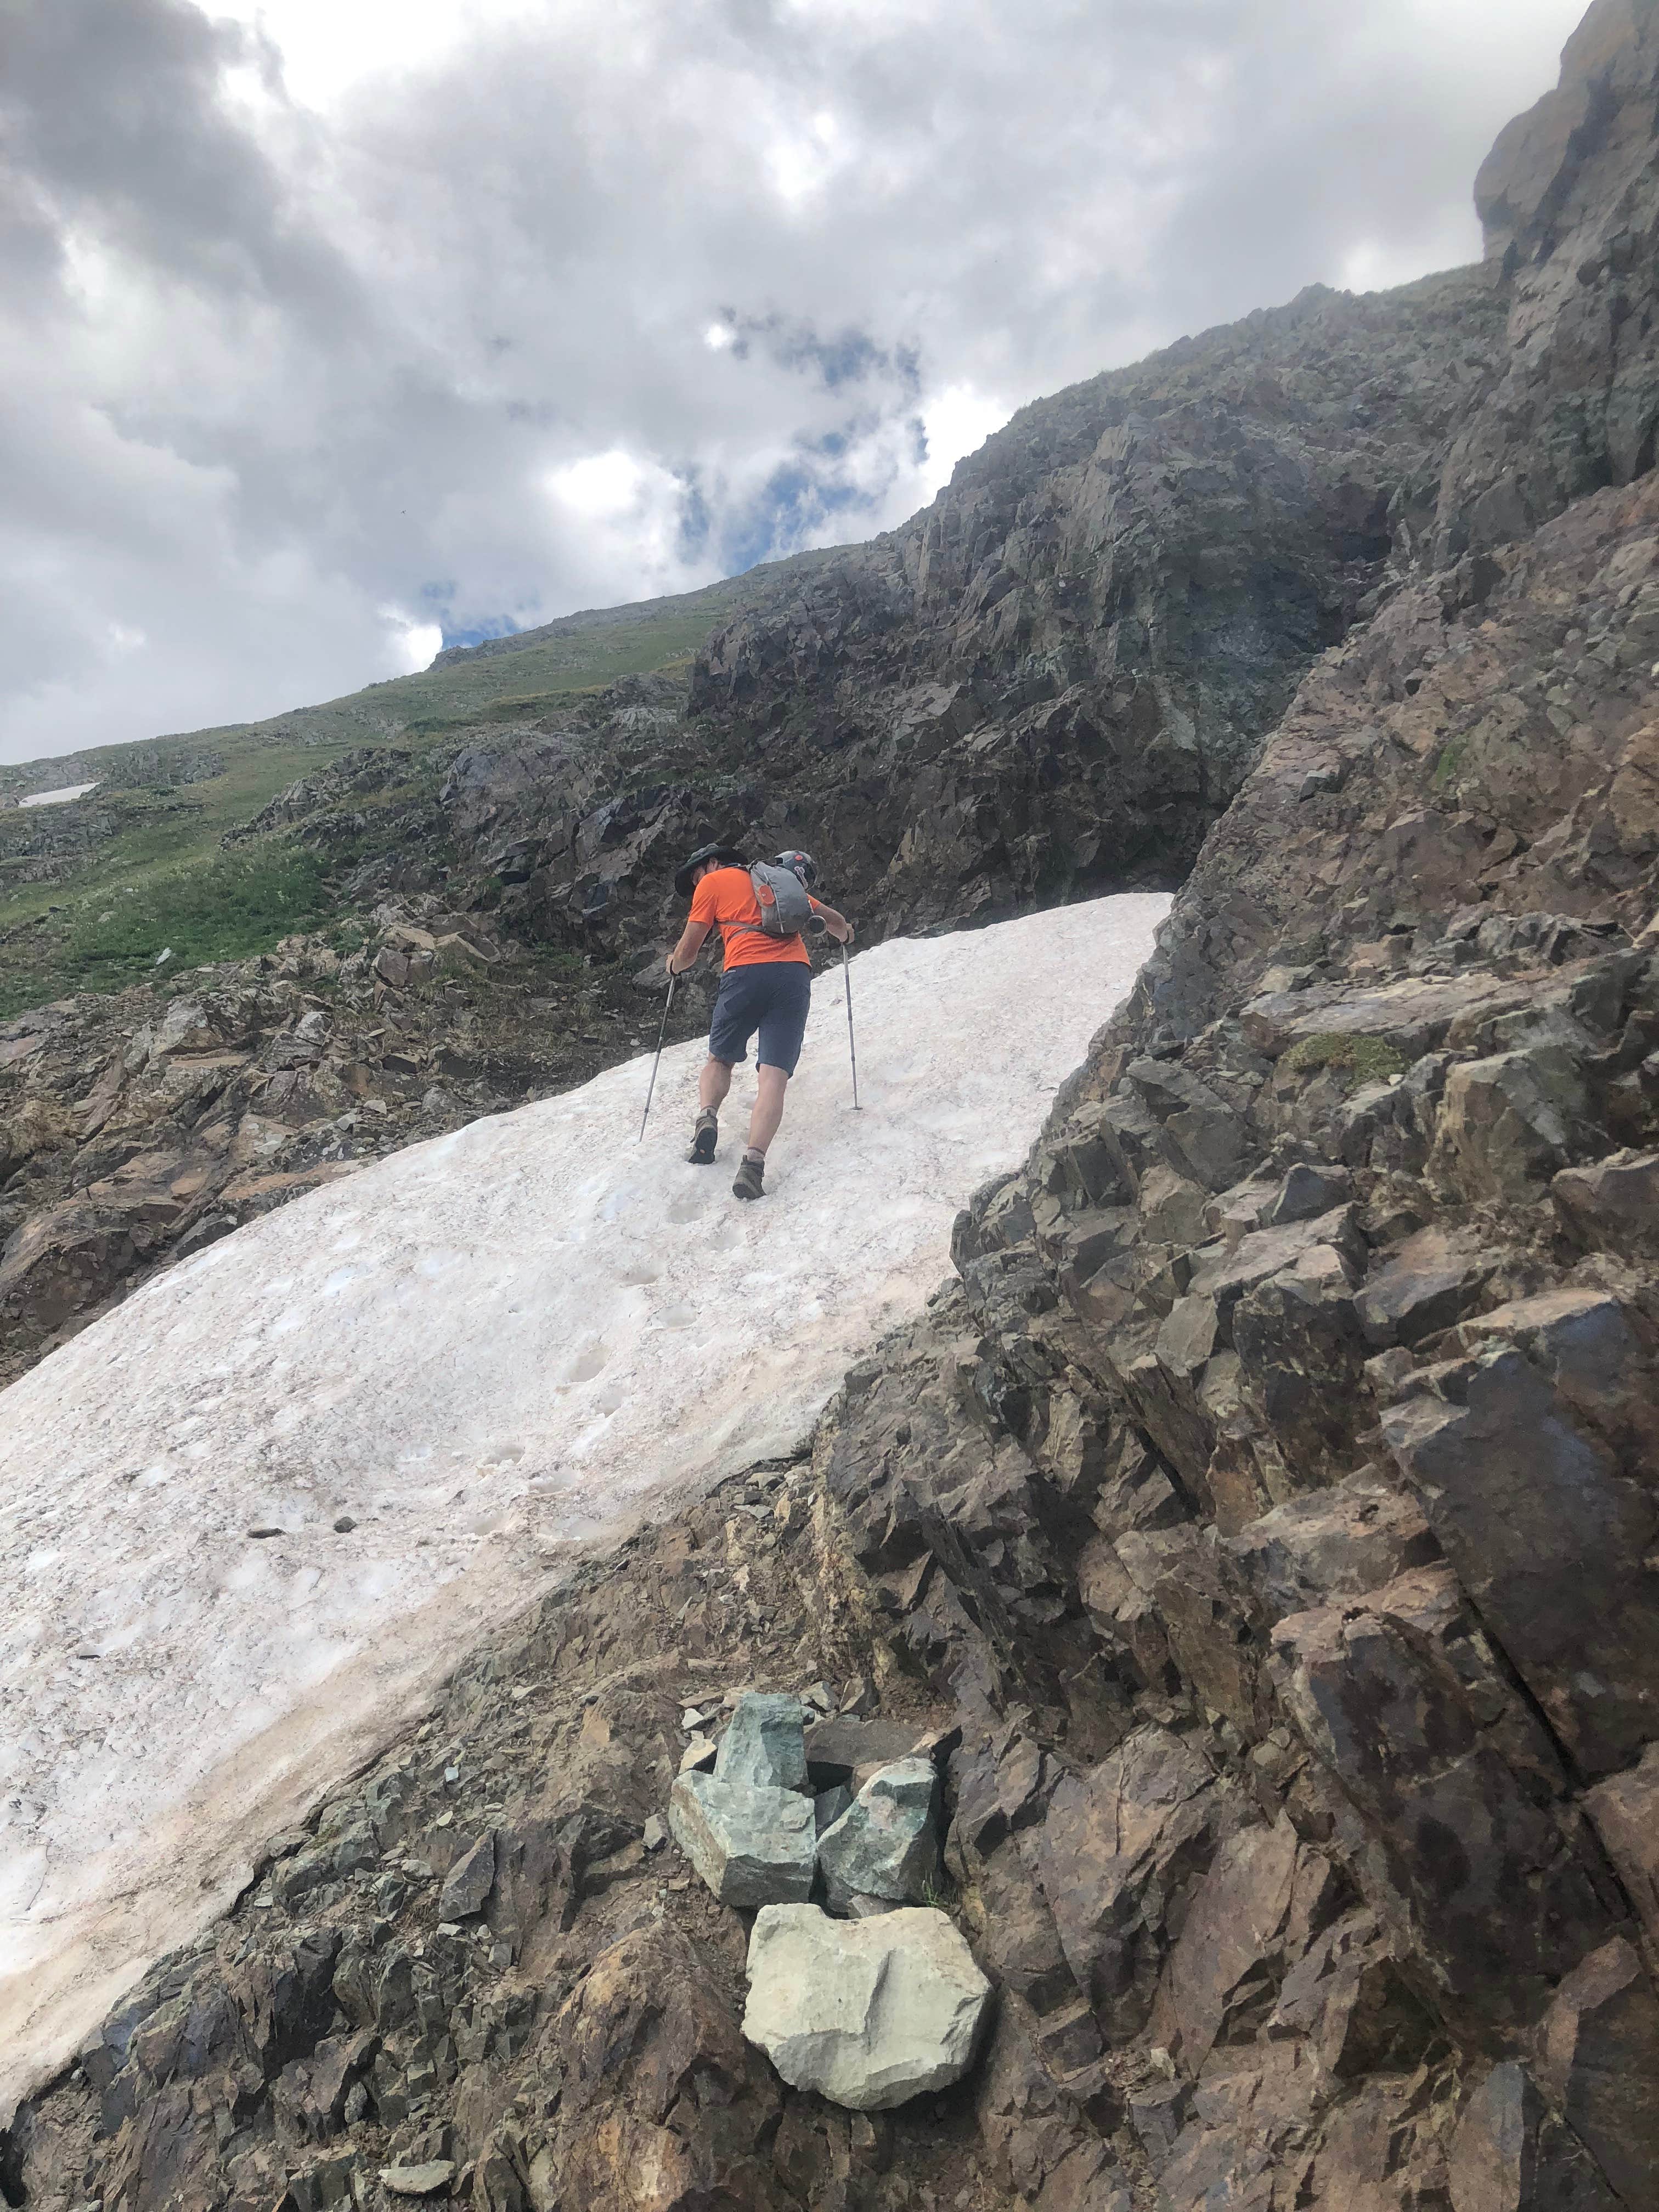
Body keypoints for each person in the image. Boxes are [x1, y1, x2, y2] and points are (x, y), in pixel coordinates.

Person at [667, 843, 854, 1200]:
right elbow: (834, 920)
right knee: (773, 1077)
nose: (696, 883)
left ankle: (707, 1117)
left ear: (713, 863)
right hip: (793, 977)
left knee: (720, 1059)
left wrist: (673, 965)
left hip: (745, 973)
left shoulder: (712, 883)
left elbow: (688, 953)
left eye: (696, 875)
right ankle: (753, 1166)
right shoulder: (776, 881)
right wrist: (846, 933)